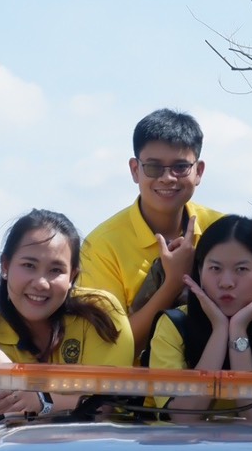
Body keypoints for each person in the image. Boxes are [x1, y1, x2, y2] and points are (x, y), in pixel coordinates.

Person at [0, 209, 133, 416]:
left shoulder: (101, 313)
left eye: (56, 270)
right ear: (6, 266)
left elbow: (106, 405)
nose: (41, 283)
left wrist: (42, 400)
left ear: (72, 276)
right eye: (29, 265)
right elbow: (12, 412)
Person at [79, 108, 222, 356]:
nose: (167, 178)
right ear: (135, 170)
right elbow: (107, 347)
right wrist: (173, 283)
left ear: (198, 171)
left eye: (180, 167)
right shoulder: (101, 246)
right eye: (154, 167)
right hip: (136, 381)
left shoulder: (222, 230)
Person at [148, 214, 252, 419]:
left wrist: (238, 331)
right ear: (200, 272)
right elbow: (183, 416)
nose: (226, 282)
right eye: (215, 268)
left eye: (241, 269)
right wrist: (220, 331)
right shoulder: (173, 325)